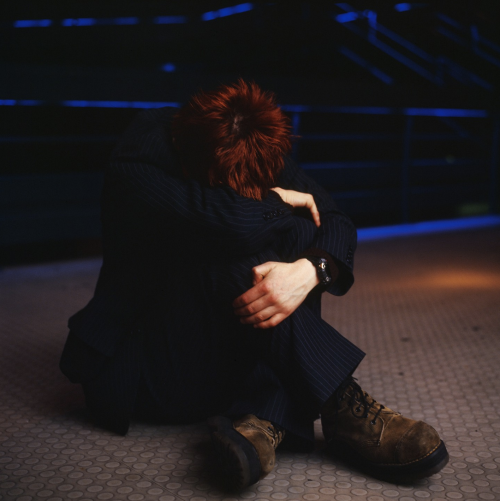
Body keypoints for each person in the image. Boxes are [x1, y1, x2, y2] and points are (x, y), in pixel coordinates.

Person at [60, 79, 449, 489]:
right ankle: (340, 403)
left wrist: (309, 270)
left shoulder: (254, 144)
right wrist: (279, 201)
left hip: (218, 361)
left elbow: (334, 219)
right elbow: (229, 221)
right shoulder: (140, 157)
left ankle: (263, 422)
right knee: (238, 248)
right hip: (150, 369)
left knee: (302, 236)